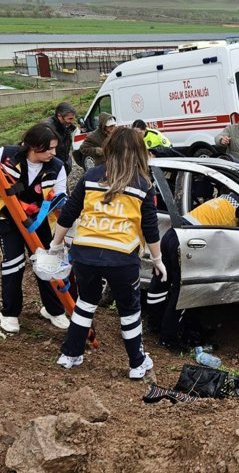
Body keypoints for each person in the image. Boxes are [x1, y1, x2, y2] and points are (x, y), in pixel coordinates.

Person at [49, 127, 166, 380]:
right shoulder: (143, 184)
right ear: (139, 152)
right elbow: (150, 227)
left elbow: (69, 212)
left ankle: (69, 355)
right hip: (122, 256)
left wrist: (55, 245)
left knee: (85, 302)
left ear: (109, 148)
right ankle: (137, 363)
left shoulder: (91, 175)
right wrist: (157, 260)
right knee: (129, 310)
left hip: (86, 253)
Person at [0, 123, 70, 334]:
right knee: (14, 263)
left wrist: (59, 212)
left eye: (55, 148)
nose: (53, 153)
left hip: (38, 220)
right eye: (48, 148)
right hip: (6, 217)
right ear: (33, 146)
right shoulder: (6, 155)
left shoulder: (57, 167)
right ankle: (10, 313)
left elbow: (60, 196)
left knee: (46, 263)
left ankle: (53, 310)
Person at [46, 102, 78, 174]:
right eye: (69, 119)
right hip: (52, 166)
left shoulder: (65, 125)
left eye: (72, 119)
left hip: (63, 162)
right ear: (59, 116)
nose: (71, 122)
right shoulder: (48, 129)